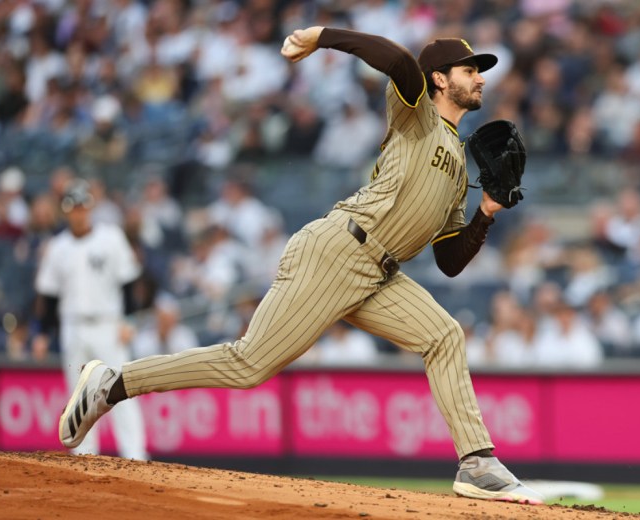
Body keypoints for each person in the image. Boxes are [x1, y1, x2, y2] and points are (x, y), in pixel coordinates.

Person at [58, 27, 543, 504]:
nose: (480, 78)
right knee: (247, 364)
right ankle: (113, 383)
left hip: (380, 273)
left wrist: (485, 214)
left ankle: (477, 462)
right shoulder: (416, 116)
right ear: (439, 79)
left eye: (479, 71)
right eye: (469, 69)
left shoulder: (459, 167)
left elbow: (448, 260)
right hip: (339, 249)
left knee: (444, 335)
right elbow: (396, 60)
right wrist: (322, 35)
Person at [35, 179, 148, 460]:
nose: (79, 212)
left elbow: (130, 283)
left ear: (91, 207)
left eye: (83, 206)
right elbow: (48, 297)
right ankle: (85, 458)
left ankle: (135, 455)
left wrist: (130, 320)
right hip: (73, 326)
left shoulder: (111, 238)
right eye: (73, 207)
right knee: (79, 395)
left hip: (108, 325)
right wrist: (42, 333)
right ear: (65, 211)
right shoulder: (58, 247)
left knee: (121, 389)